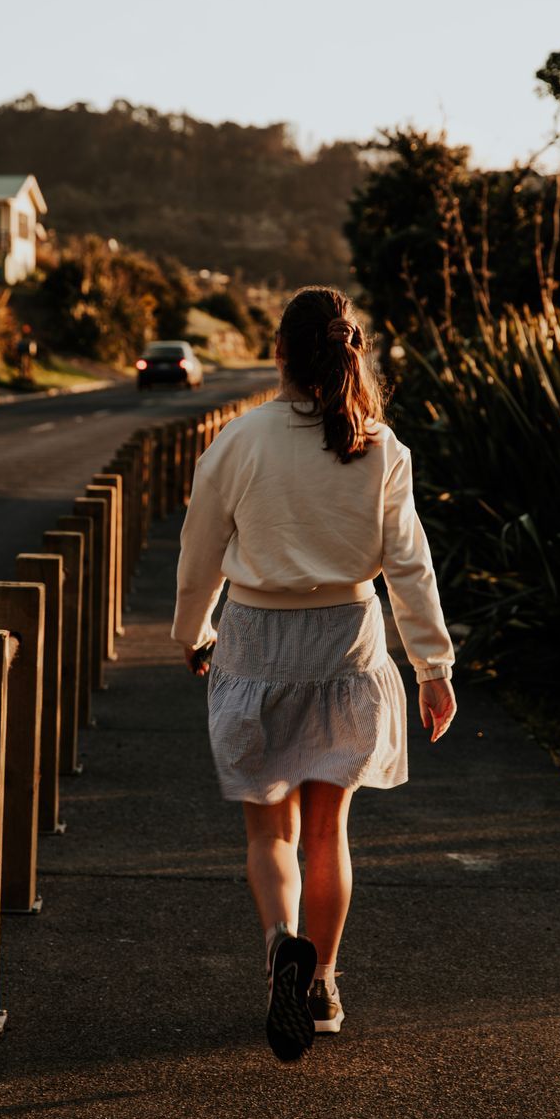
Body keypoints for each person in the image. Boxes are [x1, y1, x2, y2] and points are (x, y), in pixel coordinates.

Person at [171, 285, 457, 1063]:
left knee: (271, 830)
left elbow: (199, 553)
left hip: (255, 644)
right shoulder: (381, 447)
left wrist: (192, 633)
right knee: (329, 832)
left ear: (280, 355)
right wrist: (433, 668)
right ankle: (322, 984)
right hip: (346, 648)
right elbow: (410, 567)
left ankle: (279, 946)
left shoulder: (239, 441)